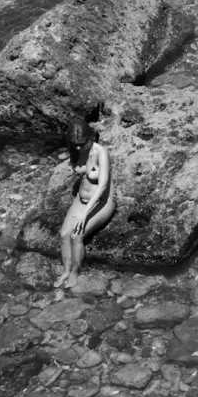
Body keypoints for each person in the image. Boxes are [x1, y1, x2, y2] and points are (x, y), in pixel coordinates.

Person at [57, 119, 115, 289]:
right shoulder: (75, 149)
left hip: (102, 200)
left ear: (92, 138)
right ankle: (66, 270)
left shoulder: (100, 152)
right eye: (74, 144)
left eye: (81, 144)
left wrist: (85, 213)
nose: (77, 148)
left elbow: (103, 184)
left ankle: (75, 272)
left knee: (76, 235)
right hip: (81, 199)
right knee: (64, 235)